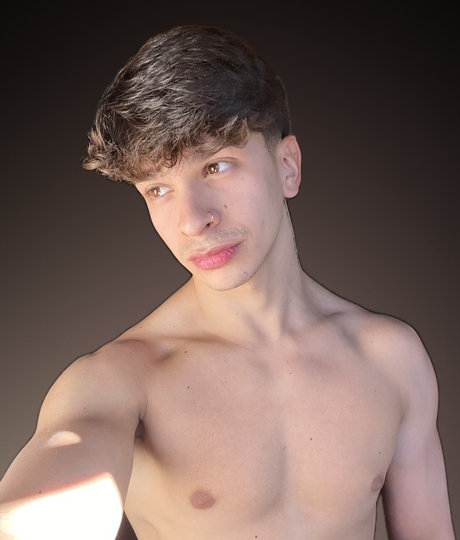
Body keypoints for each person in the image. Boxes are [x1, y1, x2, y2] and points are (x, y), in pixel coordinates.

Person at [0, 24, 455, 540]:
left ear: (287, 167)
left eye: (216, 165)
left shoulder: (392, 360)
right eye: (158, 189)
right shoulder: (121, 381)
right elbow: (54, 489)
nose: (193, 220)